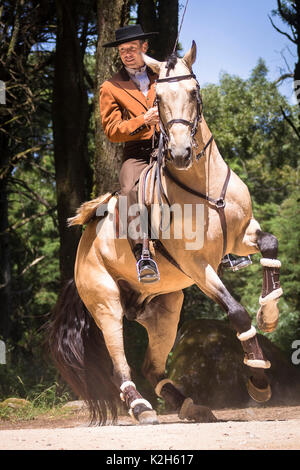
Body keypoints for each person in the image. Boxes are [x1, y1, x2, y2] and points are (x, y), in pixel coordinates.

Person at [99, 24, 251, 283]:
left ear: (144, 48)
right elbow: (112, 130)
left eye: (132, 49)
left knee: (203, 177)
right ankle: (143, 253)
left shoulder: (165, 74)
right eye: (123, 50)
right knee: (128, 191)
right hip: (138, 153)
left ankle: (224, 247)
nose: (127, 54)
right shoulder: (110, 87)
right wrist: (143, 120)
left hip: (172, 145)